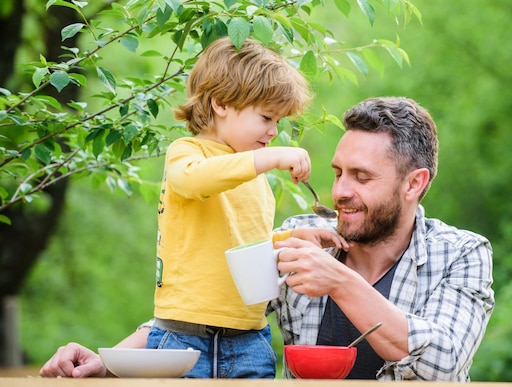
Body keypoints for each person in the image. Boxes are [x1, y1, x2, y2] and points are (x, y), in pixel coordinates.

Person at [40, 96, 494, 381]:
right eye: (337, 173)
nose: (339, 192)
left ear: (414, 184)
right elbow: (210, 313)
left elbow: (443, 366)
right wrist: (111, 361)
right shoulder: (301, 237)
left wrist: (338, 281)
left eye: (361, 176)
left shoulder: (460, 253)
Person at [129, 36, 348, 379]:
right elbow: (193, 181)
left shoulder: (253, 177)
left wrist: (289, 239)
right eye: (266, 117)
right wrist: (265, 158)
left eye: (278, 122)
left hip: (248, 339)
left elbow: (245, 248)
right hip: (183, 338)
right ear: (220, 103)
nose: (274, 132)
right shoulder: (187, 153)